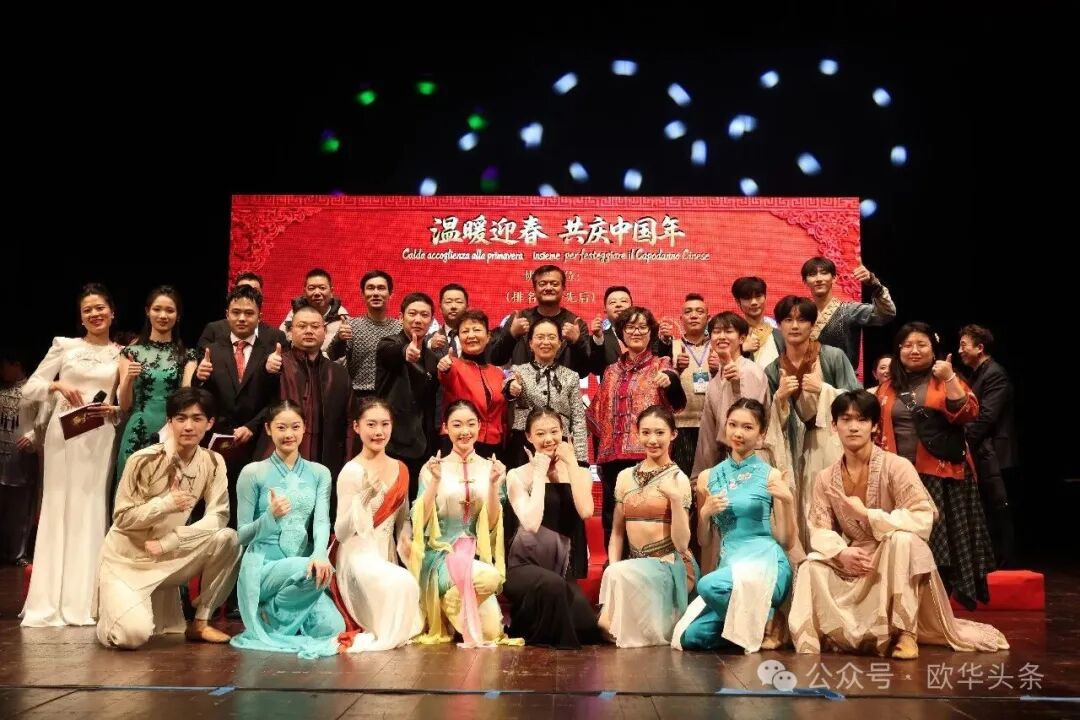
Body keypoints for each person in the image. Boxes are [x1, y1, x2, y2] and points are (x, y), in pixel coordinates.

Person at [788, 390, 1009, 658]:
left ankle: (906, 633)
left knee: (903, 540)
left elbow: (922, 516)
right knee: (811, 564)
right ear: (834, 426)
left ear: (874, 426)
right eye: (846, 419)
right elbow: (819, 527)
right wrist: (841, 552)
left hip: (893, 554)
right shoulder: (825, 478)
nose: (854, 427)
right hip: (856, 557)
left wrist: (869, 515)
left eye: (862, 419)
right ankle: (818, 637)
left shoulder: (896, 466)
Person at [95, 388, 240, 649]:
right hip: (128, 561)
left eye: (197, 419)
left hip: (168, 555)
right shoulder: (144, 460)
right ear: (169, 421)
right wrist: (165, 504)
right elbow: (123, 518)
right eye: (181, 418)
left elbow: (219, 515)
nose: (188, 426)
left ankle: (201, 622)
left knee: (228, 539)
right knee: (132, 636)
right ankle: (111, 614)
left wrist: (172, 541)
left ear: (210, 423)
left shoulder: (213, 461)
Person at [874, 322, 995, 610]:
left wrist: (950, 378)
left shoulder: (945, 379)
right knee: (903, 545)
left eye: (922, 344)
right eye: (907, 345)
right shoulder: (887, 388)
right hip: (898, 478)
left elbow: (968, 413)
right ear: (898, 350)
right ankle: (906, 608)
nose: (914, 350)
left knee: (941, 548)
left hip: (940, 478)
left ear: (933, 348)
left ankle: (937, 610)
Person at [21, 284, 122, 627]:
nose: (95, 314)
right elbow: (29, 388)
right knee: (59, 506)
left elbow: (124, 402)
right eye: (88, 309)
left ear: (112, 312)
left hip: (99, 434)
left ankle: (84, 601)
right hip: (64, 435)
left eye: (100, 307)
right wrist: (56, 385)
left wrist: (114, 409)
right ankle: (50, 601)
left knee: (91, 507)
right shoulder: (64, 346)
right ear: (81, 317)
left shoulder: (123, 354)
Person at [673, 399, 798, 653]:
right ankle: (761, 625)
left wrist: (787, 501)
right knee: (690, 637)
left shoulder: (771, 475)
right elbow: (704, 541)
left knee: (707, 585)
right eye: (733, 425)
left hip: (766, 565)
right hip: (730, 571)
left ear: (761, 434)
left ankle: (768, 619)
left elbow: (787, 541)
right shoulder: (708, 477)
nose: (738, 433)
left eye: (748, 427)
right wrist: (705, 514)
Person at [230, 400, 344, 657]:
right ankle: (268, 616)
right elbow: (242, 535)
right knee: (308, 570)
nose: (288, 434)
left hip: (302, 566)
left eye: (295, 427)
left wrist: (320, 554)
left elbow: (321, 521)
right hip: (262, 567)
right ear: (268, 429)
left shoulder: (319, 473)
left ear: (305, 428)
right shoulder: (253, 472)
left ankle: (272, 614)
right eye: (281, 427)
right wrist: (269, 517)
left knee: (333, 629)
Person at [407, 400, 519, 647]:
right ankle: (447, 600)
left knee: (490, 633)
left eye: (470, 424)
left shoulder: (491, 468)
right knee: (490, 578)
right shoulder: (432, 468)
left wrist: (493, 485)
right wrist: (435, 482)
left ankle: (451, 603)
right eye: (457, 425)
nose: (464, 431)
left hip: (475, 555)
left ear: (480, 426)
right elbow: (420, 522)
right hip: (442, 555)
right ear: (445, 428)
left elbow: (492, 525)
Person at [761, 296, 859, 550]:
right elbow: (766, 424)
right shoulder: (773, 369)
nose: (795, 326)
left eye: (802, 320)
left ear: (813, 325)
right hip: (796, 450)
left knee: (841, 504)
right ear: (779, 325)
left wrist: (825, 389)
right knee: (805, 508)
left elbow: (859, 403)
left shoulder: (832, 356)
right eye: (788, 320)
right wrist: (779, 399)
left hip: (835, 444)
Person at [598, 405, 697, 648]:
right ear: (637, 434)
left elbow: (682, 544)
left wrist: (675, 500)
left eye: (660, 433)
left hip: (670, 564)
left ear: (673, 434)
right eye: (646, 432)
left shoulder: (679, 479)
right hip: (634, 564)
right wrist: (613, 565)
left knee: (614, 624)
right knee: (604, 624)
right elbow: (617, 532)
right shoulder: (624, 476)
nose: (652, 440)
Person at [587, 306, 686, 546]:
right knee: (613, 520)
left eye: (642, 327)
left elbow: (677, 401)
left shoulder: (662, 365)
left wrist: (670, 382)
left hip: (648, 457)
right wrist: (600, 456)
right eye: (630, 327)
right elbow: (597, 416)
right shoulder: (610, 371)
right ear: (621, 333)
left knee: (649, 518)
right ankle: (615, 565)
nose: (636, 332)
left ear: (651, 332)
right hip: (611, 460)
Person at [333, 398, 423, 652]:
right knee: (401, 583)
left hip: (386, 554)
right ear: (356, 427)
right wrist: (362, 500)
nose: (378, 432)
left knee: (409, 586)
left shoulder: (401, 468)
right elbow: (341, 532)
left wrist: (405, 537)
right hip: (357, 556)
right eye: (371, 424)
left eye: (385, 424)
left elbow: (403, 519)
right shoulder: (351, 471)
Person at [503, 409, 598, 648]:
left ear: (563, 432)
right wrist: (538, 473)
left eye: (554, 431)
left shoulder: (580, 473)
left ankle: (533, 624)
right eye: (540, 433)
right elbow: (531, 523)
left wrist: (572, 463)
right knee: (552, 587)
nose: (548, 439)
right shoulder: (517, 475)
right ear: (528, 437)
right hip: (523, 566)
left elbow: (586, 511)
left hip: (563, 569)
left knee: (586, 627)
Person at [191, 284, 281, 527]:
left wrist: (252, 426)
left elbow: (276, 400)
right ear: (227, 314)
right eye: (236, 312)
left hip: (256, 442)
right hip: (216, 442)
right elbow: (200, 396)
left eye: (249, 313)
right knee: (209, 508)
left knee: (249, 509)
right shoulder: (212, 350)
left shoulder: (271, 351)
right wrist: (199, 377)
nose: (242, 318)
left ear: (260, 316)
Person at [113, 286, 197, 511]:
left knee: (169, 500)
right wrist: (128, 379)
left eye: (170, 310)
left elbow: (185, 399)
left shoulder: (187, 356)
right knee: (131, 500)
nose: (163, 315)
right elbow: (125, 405)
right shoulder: (131, 353)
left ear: (178, 315)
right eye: (157, 309)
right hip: (137, 430)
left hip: (172, 433)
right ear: (147, 311)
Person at [261, 303, 353, 482]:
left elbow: (349, 421)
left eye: (315, 326)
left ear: (325, 332)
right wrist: (266, 371)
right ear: (289, 332)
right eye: (302, 326)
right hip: (281, 459)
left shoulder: (339, 373)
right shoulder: (277, 366)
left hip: (326, 461)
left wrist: (348, 462)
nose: (309, 331)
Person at [958, 324, 1017, 568]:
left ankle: (1005, 562)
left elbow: (986, 417)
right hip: (982, 451)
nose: (960, 351)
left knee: (999, 507)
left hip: (995, 452)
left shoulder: (994, 374)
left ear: (980, 348)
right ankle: (990, 560)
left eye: (964, 345)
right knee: (987, 508)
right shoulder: (976, 374)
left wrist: (963, 443)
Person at [375, 292, 440, 500]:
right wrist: (405, 352)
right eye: (412, 314)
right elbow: (391, 352)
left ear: (431, 320)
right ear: (401, 317)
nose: (418, 319)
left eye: (424, 315)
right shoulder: (388, 343)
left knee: (415, 504)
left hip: (421, 445)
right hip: (390, 442)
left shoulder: (432, 358)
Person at [504, 318, 587, 470]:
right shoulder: (518, 371)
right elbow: (508, 386)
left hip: (560, 444)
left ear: (560, 343)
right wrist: (512, 388)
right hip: (525, 444)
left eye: (551, 337)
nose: (546, 342)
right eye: (540, 337)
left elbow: (578, 419)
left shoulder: (571, 376)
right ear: (530, 343)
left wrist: (581, 460)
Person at [489, 265, 592, 376]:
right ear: (534, 288)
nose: (548, 288)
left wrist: (576, 342)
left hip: (563, 386)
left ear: (563, 288)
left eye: (554, 284)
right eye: (542, 284)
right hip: (522, 386)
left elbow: (583, 372)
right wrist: (511, 335)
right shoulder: (519, 319)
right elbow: (496, 360)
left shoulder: (575, 324)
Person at [801, 255, 896, 370]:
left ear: (834, 278)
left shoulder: (849, 311)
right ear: (805, 282)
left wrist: (873, 283)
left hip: (844, 379)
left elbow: (886, 313)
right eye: (812, 274)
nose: (819, 278)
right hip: (808, 378)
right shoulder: (801, 317)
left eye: (824, 273)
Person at [436, 310, 507, 457]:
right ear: (458, 337)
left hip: (493, 445)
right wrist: (445, 367)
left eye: (477, 330)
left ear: (488, 336)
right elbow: (445, 375)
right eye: (465, 331)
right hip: (458, 443)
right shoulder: (452, 365)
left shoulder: (498, 373)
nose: (471, 335)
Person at [0, 352, 46, 565]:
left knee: (20, 509)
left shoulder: (34, 391)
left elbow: (44, 420)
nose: (2, 370)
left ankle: (17, 553)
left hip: (21, 457)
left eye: (4, 365)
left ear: (16, 364)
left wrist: (33, 436)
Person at [328, 270, 402, 397]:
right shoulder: (351, 325)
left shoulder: (400, 328)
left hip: (392, 395)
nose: (376, 293)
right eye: (370, 288)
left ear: (390, 294)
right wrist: (339, 339)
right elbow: (332, 355)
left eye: (381, 288)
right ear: (362, 294)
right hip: (359, 395)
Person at [281, 268, 349, 351]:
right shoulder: (293, 317)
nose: (317, 293)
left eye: (322, 288)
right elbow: (281, 344)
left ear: (331, 292)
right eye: (311, 288)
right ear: (304, 292)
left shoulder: (343, 319)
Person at [730, 276, 784, 368]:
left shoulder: (779, 332)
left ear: (765, 297)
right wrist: (741, 349)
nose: (754, 302)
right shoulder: (733, 333)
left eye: (758, 296)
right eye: (747, 298)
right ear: (738, 302)